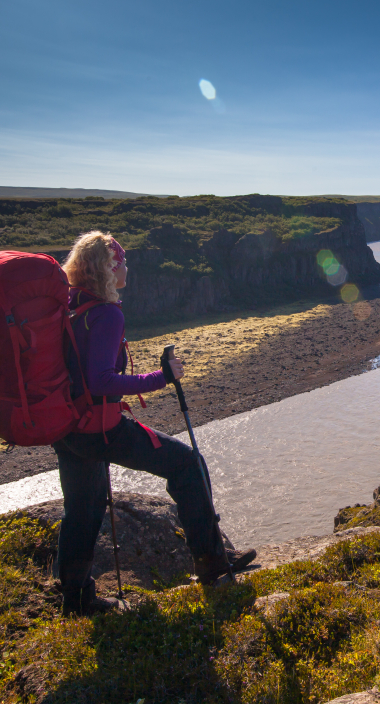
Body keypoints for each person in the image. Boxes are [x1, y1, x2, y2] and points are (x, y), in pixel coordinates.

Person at [54, 230, 255, 615]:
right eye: (122, 261)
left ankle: (75, 599)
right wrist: (161, 377)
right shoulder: (107, 314)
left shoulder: (69, 306)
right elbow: (100, 381)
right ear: (108, 267)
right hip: (100, 426)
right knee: (186, 463)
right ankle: (212, 563)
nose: (127, 267)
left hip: (66, 428)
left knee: (81, 510)